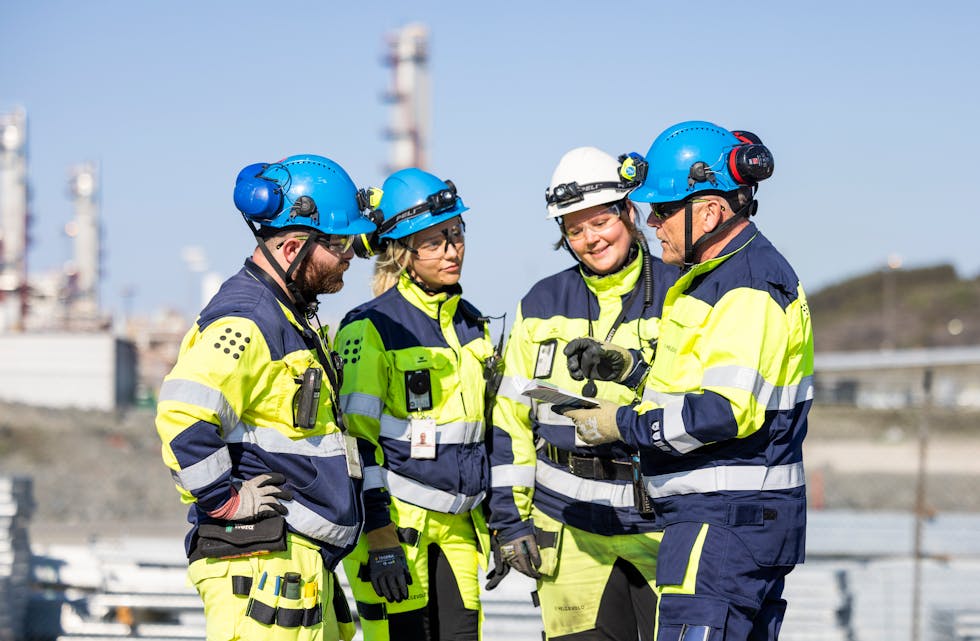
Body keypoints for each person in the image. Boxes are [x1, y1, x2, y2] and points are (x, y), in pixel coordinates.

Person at [559, 122, 813, 641]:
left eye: (664, 209)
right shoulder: (716, 278)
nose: (651, 222)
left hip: (722, 525)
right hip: (726, 522)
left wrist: (620, 424)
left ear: (713, 211)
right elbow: (696, 380)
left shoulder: (744, 286)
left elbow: (724, 410)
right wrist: (624, 368)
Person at [155, 154, 377, 641]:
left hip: (293, 561)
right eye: (339, 244)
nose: (349, 257)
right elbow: (182, 415)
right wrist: (223, 502)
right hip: (261, 568)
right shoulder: (248, 320)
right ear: (296, 246)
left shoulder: (289, 316)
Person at [486, 146, 679, 640]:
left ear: (628, 213)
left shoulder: (682, 293)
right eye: (574, 229)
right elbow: (511, 420)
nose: (591, 239)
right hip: (568, 531)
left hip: (662, 527)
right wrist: (510, 522)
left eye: (600, 222)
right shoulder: (541, 302)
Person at [335, 168, 495, 641]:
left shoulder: (472, 325)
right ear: (403, 255)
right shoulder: (368, 327)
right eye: (433, 241)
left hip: (460, 527)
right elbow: (354, 443)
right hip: (396, 531)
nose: (451, 249)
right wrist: (380, 536)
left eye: (455, 233)